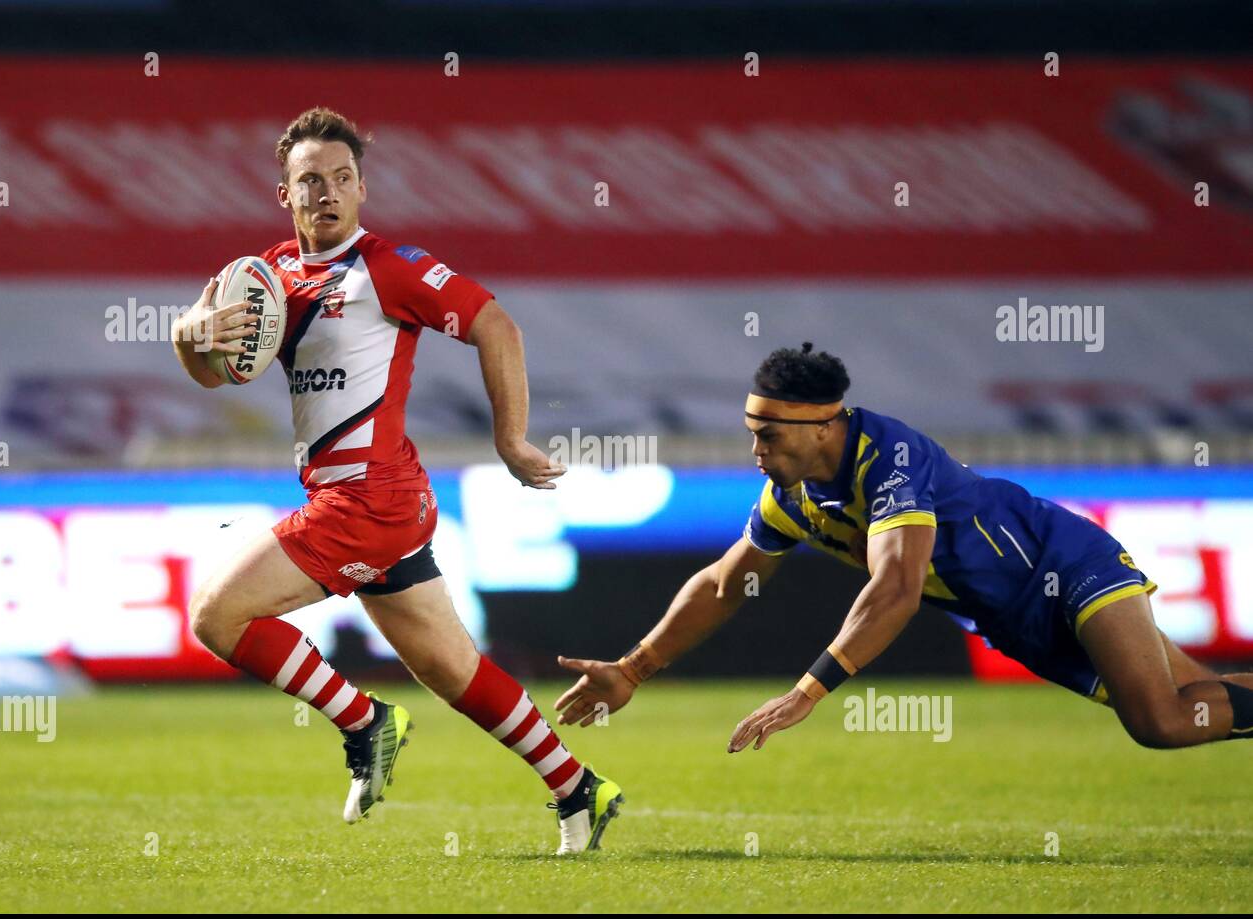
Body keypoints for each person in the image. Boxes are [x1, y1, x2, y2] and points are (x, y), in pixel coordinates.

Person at [171, 107, 622, 854]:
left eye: (342, 178)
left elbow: (495, 324)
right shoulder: (268, 279)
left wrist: (509, 439)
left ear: (361, 188)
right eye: (310, 180)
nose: (327, 192)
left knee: (216, 615)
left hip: (370, 501)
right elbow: (214, 373)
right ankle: (579, 787)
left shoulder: (389, 266)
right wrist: (189, 336)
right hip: (366, 501)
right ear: (284, 193)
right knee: (456, 673)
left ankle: (363, 719)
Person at [555, 343, 1253, 758]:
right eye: (752, 431)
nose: (756, 450)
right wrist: (635, 667)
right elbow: (724, 583)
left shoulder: (890, 459)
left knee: (1158, 721)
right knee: (1199, 699)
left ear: (825, 425)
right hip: (1013, 620)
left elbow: (897, 587)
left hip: (1062, 566)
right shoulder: (793, 497)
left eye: (769, 434)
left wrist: (808, 691)